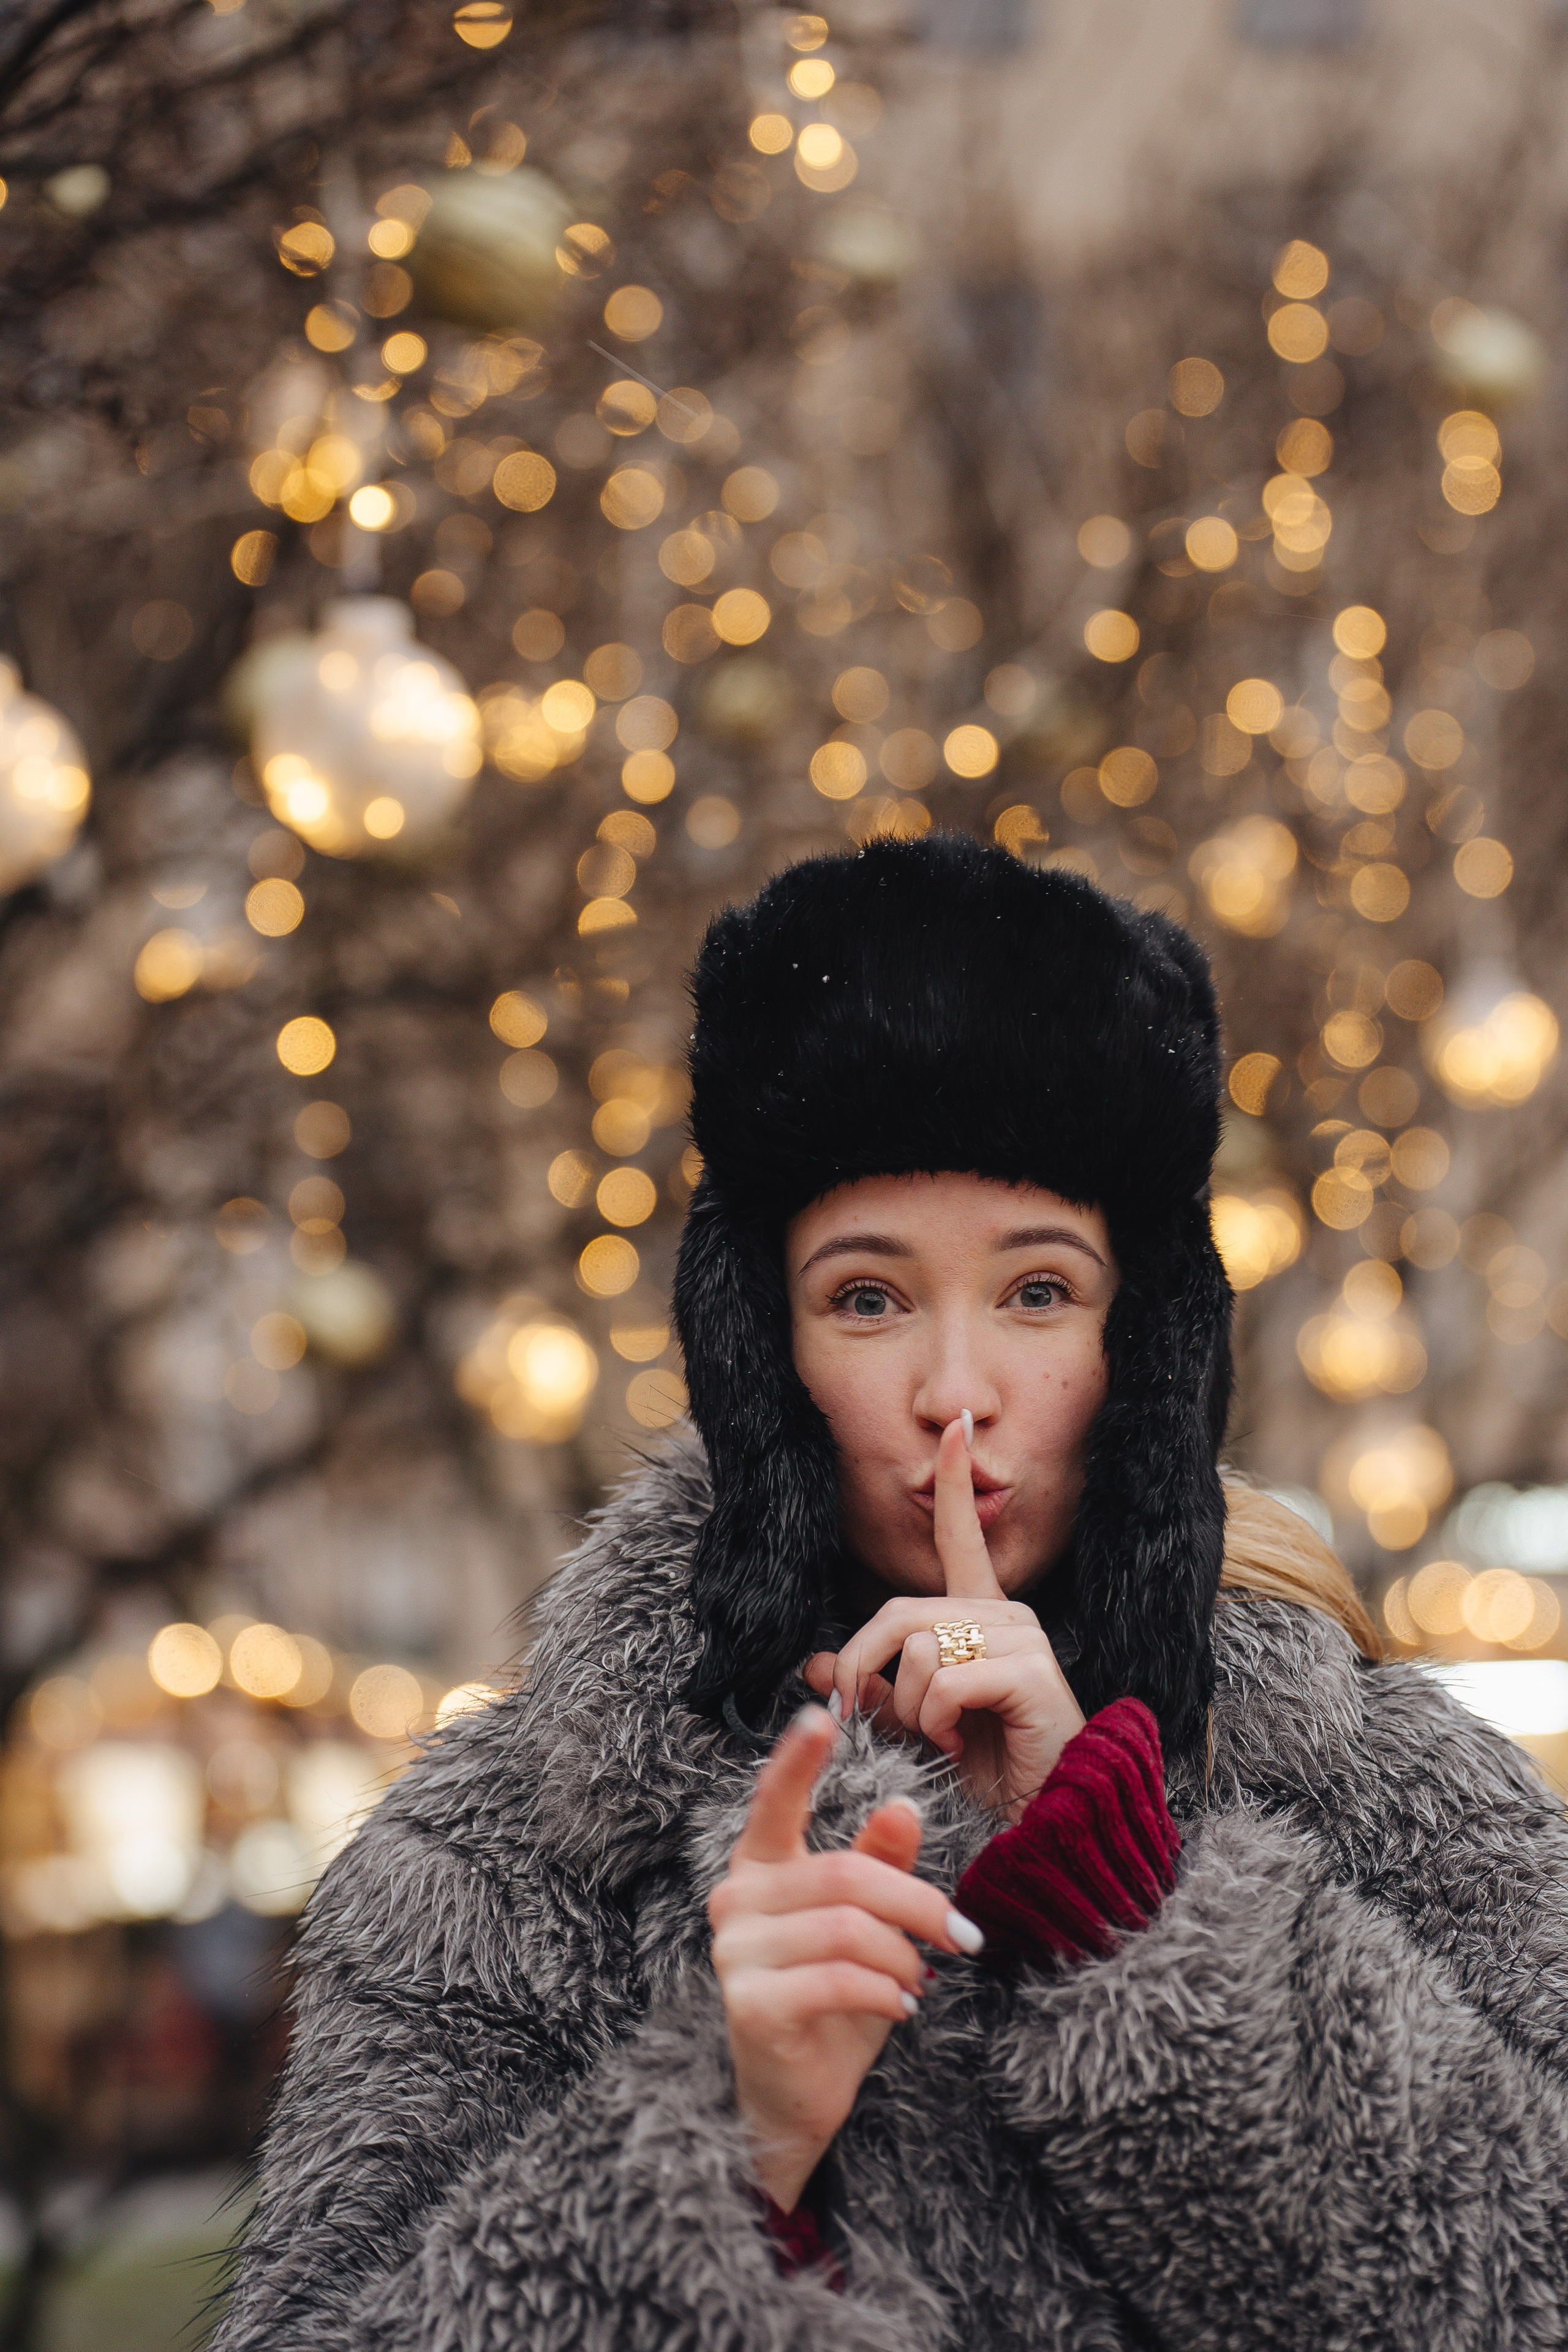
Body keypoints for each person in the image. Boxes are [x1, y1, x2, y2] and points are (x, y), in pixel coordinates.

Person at [214, 835, 1568, 2351]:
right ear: (758, 1357)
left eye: (1038, 1291)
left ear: (1148, 1349)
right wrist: (734, 2140)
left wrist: (1119, 1904)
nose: (953, 1393)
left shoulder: (1398, 1800)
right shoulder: (501, 1860)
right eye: (866, 1299)